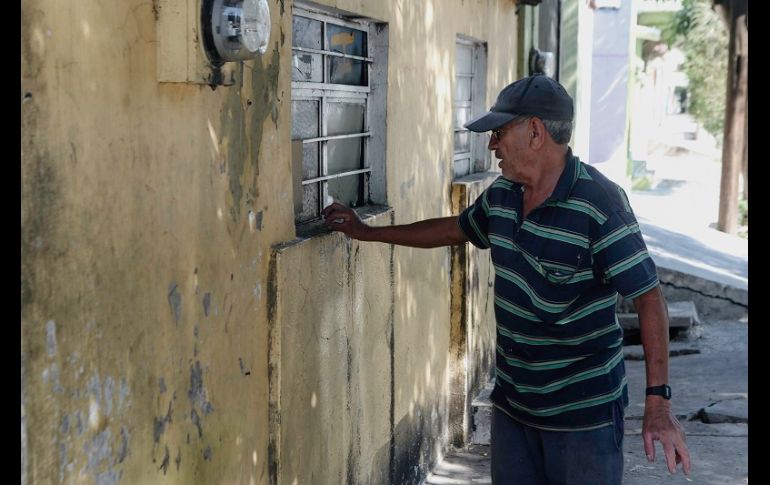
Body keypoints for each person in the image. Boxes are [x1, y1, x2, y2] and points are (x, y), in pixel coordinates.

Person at [322, 74, 691, 484]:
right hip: (515, 407)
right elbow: (452, 230)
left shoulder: (599, 204)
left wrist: (657, 402)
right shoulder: (503, 195)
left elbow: (649, 298)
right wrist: (368, 233)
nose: (492, 144)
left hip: (583, 417)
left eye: (499, 132)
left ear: (535, 132)